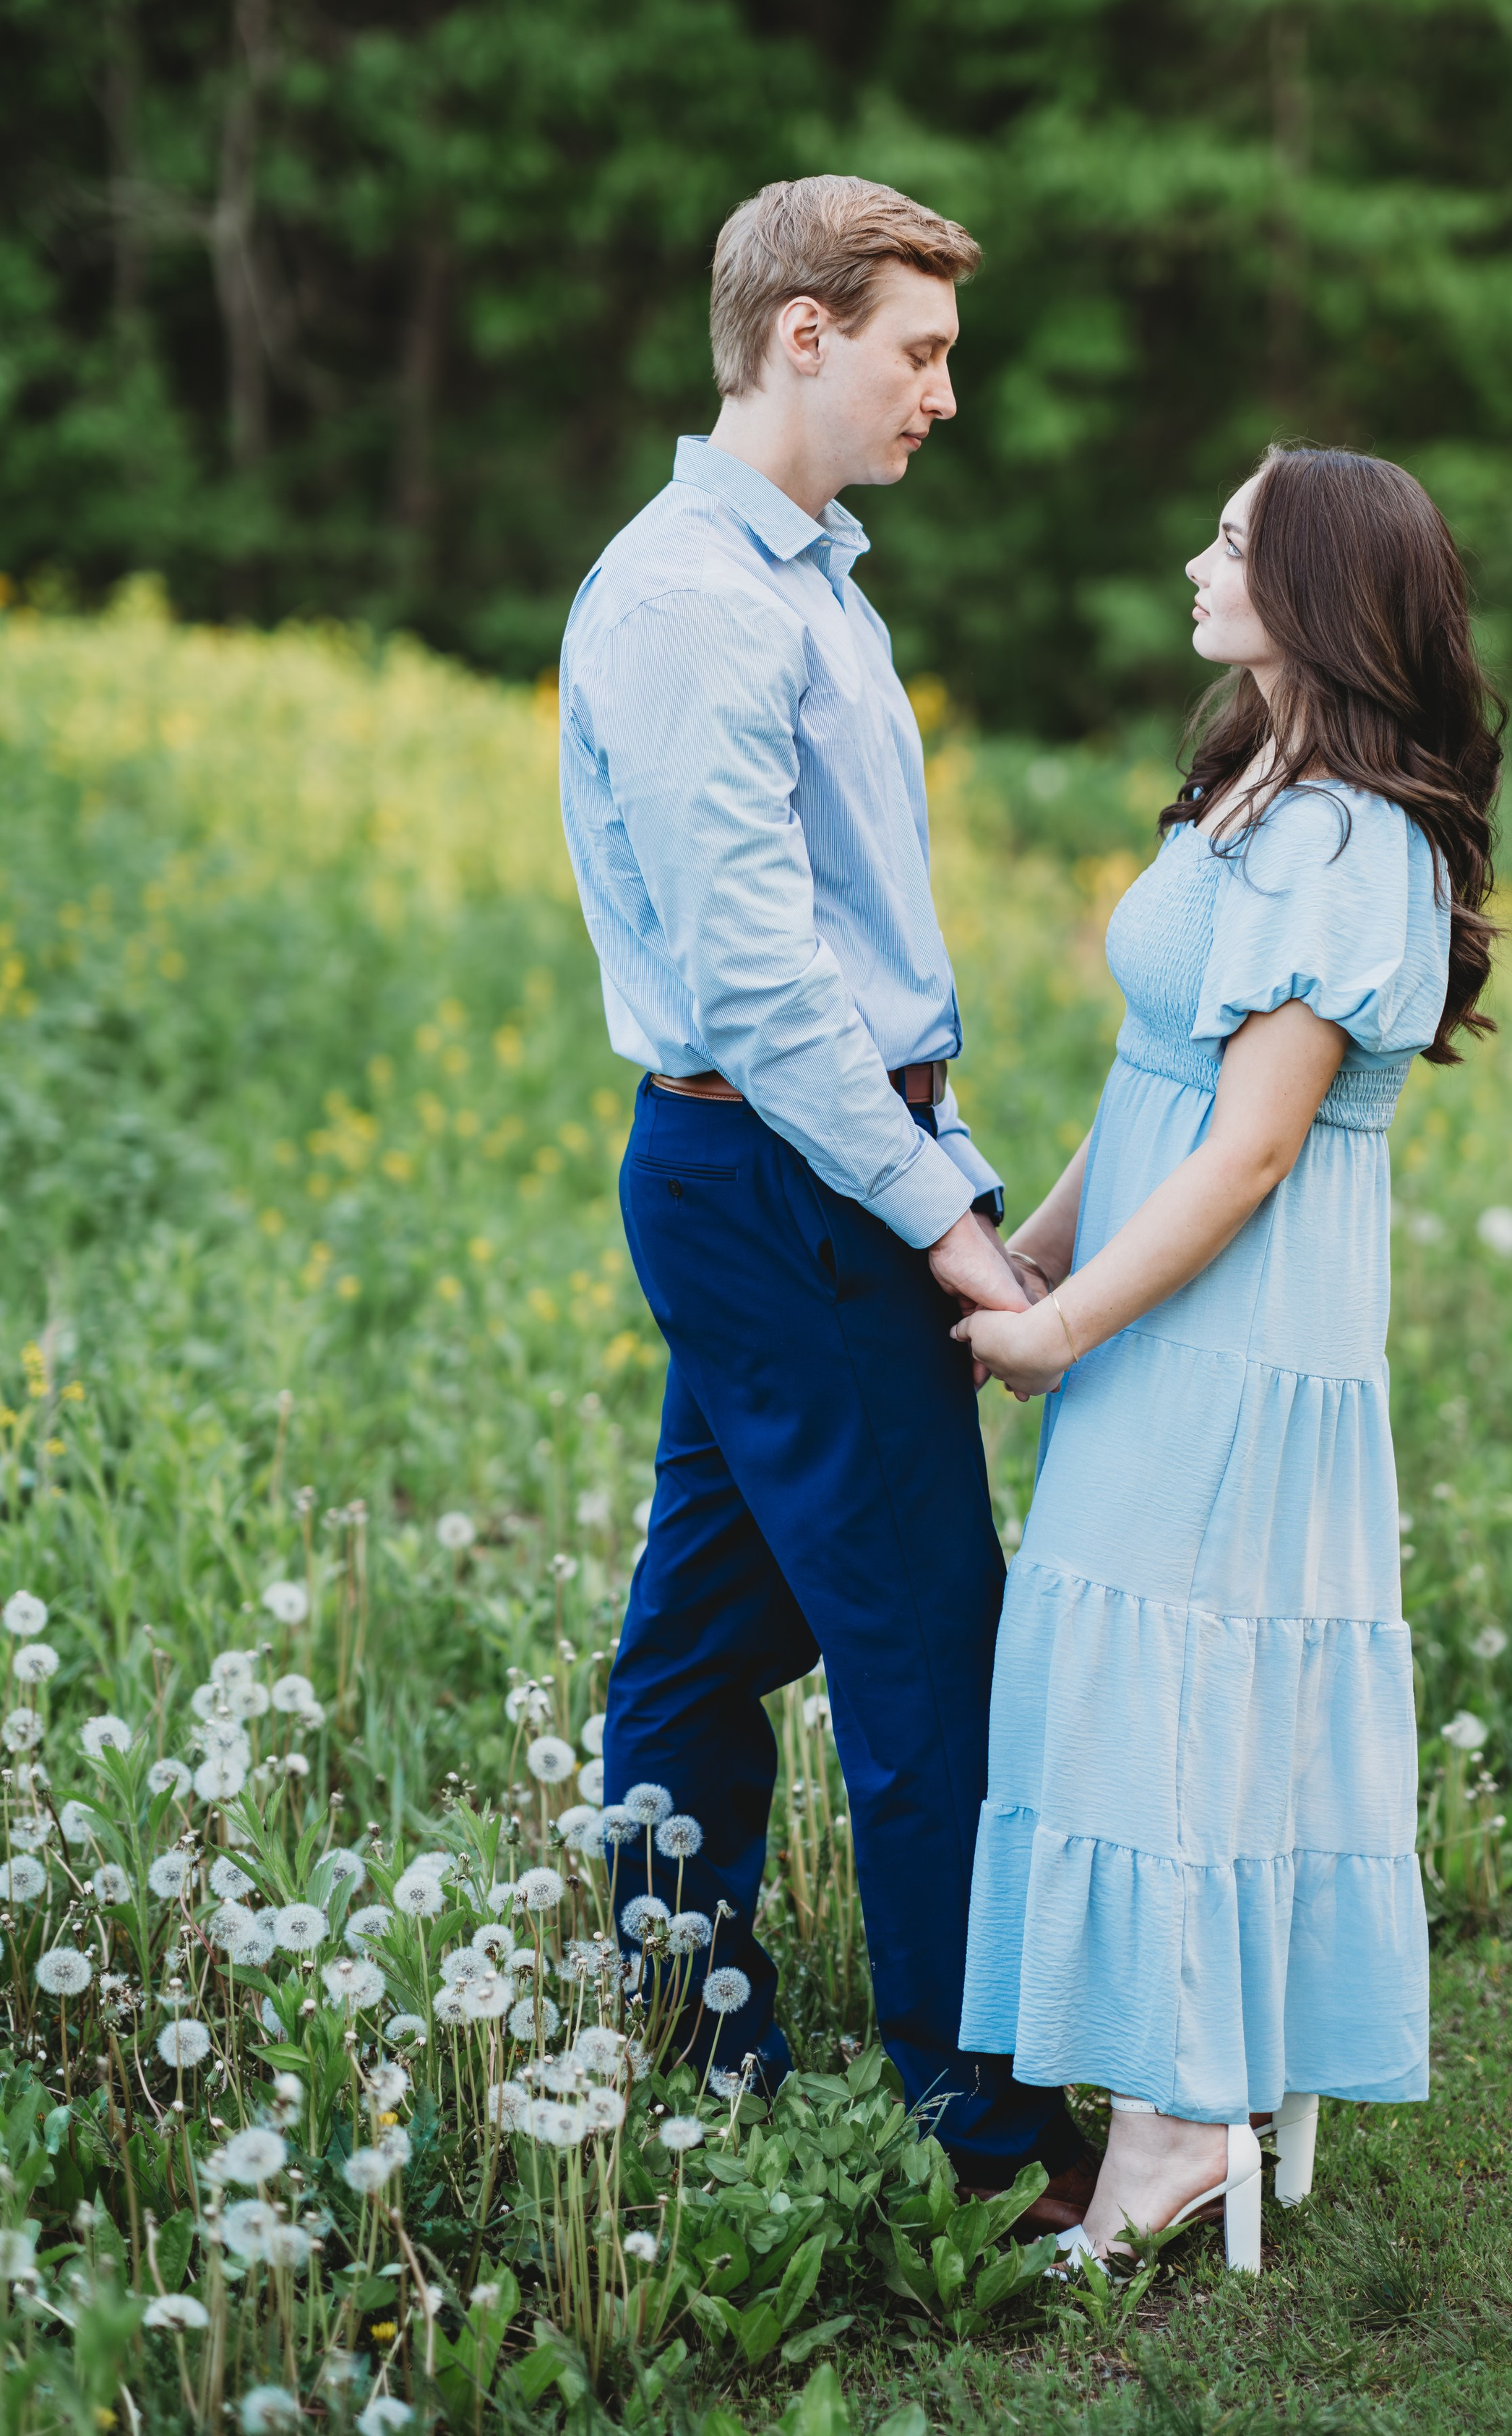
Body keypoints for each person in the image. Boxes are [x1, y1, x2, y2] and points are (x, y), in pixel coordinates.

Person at [557, 174, 1094, 2218]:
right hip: (777, 1168)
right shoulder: (696, 598)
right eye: (919, 350)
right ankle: (982, 2136)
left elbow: (845, 969)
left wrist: (954, 1180)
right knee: (924, 1645)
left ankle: (690, 2049)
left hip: (801, 1162)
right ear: (801, 334)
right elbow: (770, 991)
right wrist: (948, 1232)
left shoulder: (806, 579)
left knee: (701, 1644)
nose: (942, 394)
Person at [954, 443, 1503, 2268]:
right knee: (1140, 1686)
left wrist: (1062, 1323)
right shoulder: (1250, 777)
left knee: (1163, 1696)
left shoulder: (1348, 836)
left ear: (1322, 589)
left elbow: (1252, 1146)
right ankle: (1185, 2091)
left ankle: (1178, 2126)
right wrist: (1030, 1252)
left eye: (1233, 541)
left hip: (1230, 1331)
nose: (1195, 559)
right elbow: (1162, 1087)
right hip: (1156, 1304)